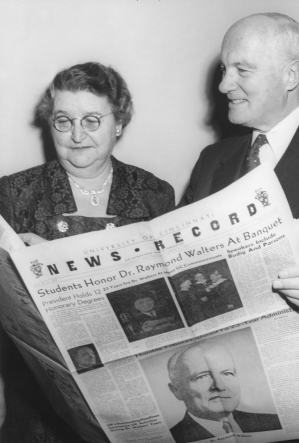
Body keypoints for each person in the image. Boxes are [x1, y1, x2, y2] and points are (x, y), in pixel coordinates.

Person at [179, 13, 299, 434]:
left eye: (242, 69)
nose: (223, 85)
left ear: (291, 74)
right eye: (224, 68)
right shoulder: (211, 161)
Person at [0, 61, 175, 442]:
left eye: (92, 120)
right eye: (64, 120)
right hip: (41, 406)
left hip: (131, 396)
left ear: (119, 124)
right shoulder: (14, 194)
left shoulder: (154, 193)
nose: (77, 135)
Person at [167, 341, 281, 442]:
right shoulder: (171, 438)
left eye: (227, 373)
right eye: (202, 376)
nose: (220, 386)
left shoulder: (274, 422)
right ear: (177, 391)